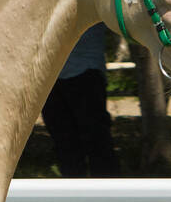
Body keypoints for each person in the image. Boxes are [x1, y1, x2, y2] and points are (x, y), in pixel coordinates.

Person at [41, 22, 121, 178]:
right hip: (51, 78)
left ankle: (109, 197)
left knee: (97, 142)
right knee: (64, 144)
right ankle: (73, 198)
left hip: (86, 73)